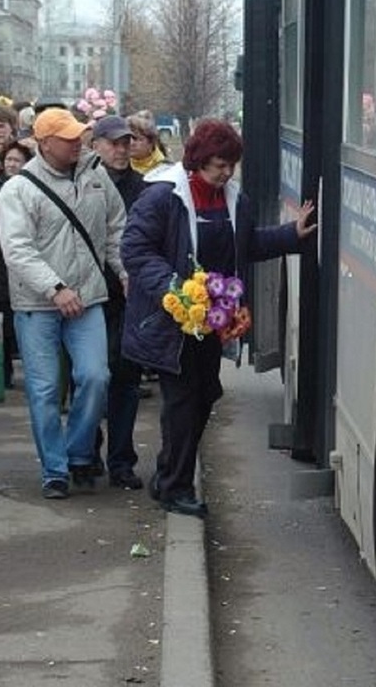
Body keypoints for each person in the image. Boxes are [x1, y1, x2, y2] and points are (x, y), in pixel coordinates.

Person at [122, 119, 315, 517]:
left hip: (212, 321)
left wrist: (291, 235)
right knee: (182, 402)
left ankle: (167, 476)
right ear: (198, 161)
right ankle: (175, 486)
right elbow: (136, 249)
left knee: (205, 394)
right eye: (219, 165)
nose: (226, 172)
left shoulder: (232, 199)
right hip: (171, 322)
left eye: (230, 165)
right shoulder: (163, 196)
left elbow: (247, 245)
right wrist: (176, 290)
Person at [0, 108, 128, 500]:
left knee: (95, 377)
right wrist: (55, 288)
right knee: (44, 389)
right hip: (38, 305)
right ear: (44, 143)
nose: (77, 142)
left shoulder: (96, 176)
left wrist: (123, 270)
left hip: (87, 298)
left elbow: (115, 230)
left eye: (78, 136)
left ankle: (78, 453)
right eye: (68, 137)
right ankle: (55, 469)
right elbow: (17, 250)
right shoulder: (18, 190)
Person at [89, 115, 146, 489]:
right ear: (96, 145)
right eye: (113, 143)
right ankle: (87, 452)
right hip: (89, 295)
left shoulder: (144, 188)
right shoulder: (82, 183)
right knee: (91, 378)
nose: (121, 149)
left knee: (125, 378)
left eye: (126, 142)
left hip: (130, 296)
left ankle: (121, 460)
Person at [0, 140, 34, 389]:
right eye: (9, 160)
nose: (12, 164)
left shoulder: (32, 186)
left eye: (17, 160)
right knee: (0, 316)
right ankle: (3, 373)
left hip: (23, 261)